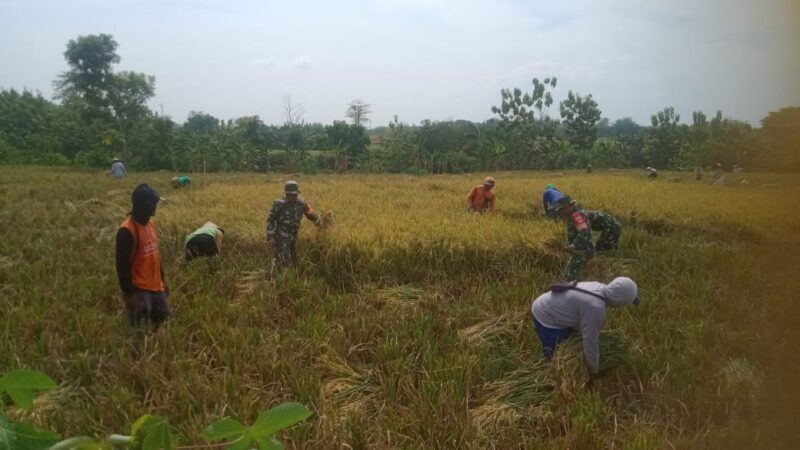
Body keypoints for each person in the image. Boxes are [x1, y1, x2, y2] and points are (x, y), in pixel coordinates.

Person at [531, 277, 640, 377]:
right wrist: (594, 371)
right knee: (556, 352)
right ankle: (549, 374)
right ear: (619, 300)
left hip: (552, 303)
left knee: (570, 339)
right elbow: (590, 342)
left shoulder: (599, 287)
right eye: (624, 303)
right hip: (546, 315)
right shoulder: (595, 307)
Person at [115, 184, 170, 327]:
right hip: (140, 292)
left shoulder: (150, 224)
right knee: (140, 332)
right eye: (154, 203)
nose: (155, 207)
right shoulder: (126, 231)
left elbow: (155, 257)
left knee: (163, 324)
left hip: (157, 289)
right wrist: (129, 294)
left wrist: (162, 282)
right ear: (145, 205)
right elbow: (122, 266)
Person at [266, 181, 320, 269]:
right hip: (281, 237)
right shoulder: (279, 204)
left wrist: (320, 221)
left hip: (294, 235)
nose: (292, 197)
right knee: (283, 261)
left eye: (294, 195)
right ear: (286, 194)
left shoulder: (302, 203)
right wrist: (270, 237)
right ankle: (280, 279)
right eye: (289, 195)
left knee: (294, 259)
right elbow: (271, 220)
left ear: (297, 194)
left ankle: (291, 277)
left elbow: (310, 214)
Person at [555, 196, 594, 281]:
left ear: (570, 206)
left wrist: (573, 245)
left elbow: (585, 232)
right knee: (575, 276)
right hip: (579, 251)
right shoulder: (571, 216)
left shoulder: (576, 216)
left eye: (563, 209)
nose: (561, 212)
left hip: (581, 252)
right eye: (560, 210)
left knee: (569, 277)